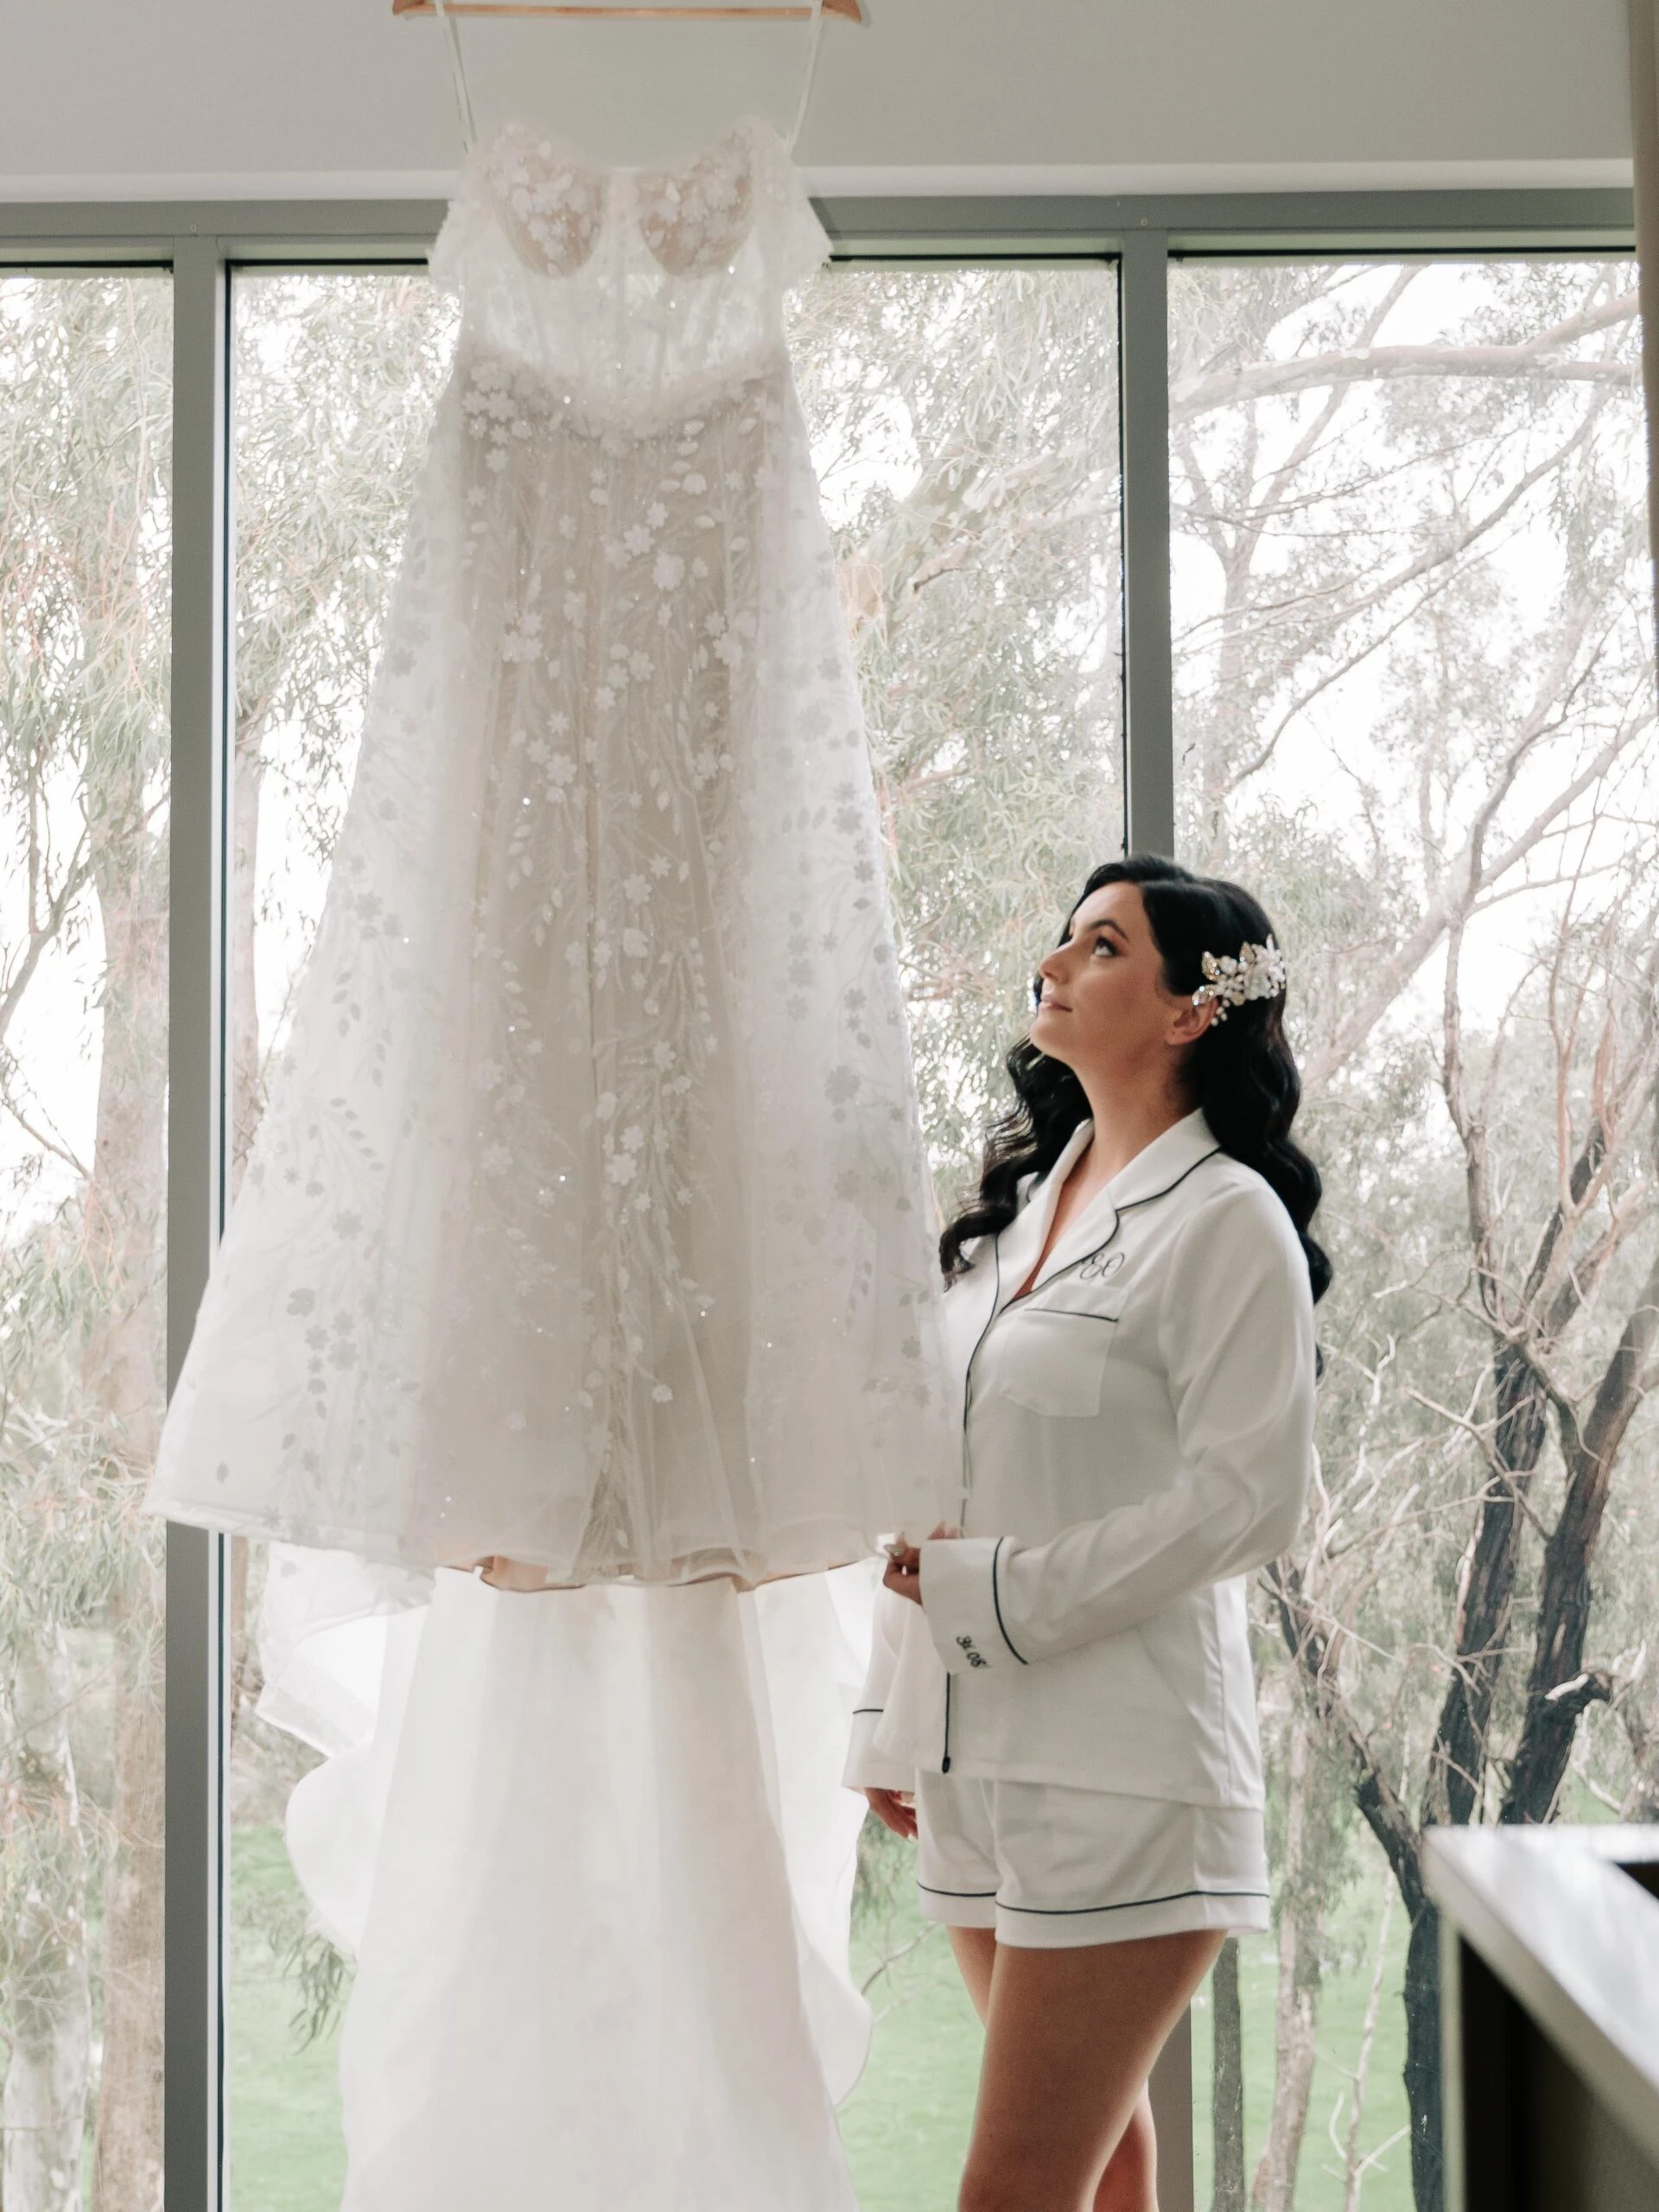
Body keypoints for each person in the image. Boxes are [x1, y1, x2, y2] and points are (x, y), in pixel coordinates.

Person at [844, 855, 1330, 2212]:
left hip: (1125, 1773)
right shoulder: (1016, 1221)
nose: (1056, 962)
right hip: (973, 1759)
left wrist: (992, 1598)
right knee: (1104, 2163)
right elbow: (938, 1483)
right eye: (1065, 939)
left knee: (1014, 2189)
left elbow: (1252, 1500)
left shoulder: (1229, 1219)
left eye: (1103, 945)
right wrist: (893, 1712)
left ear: (1190, 1010)